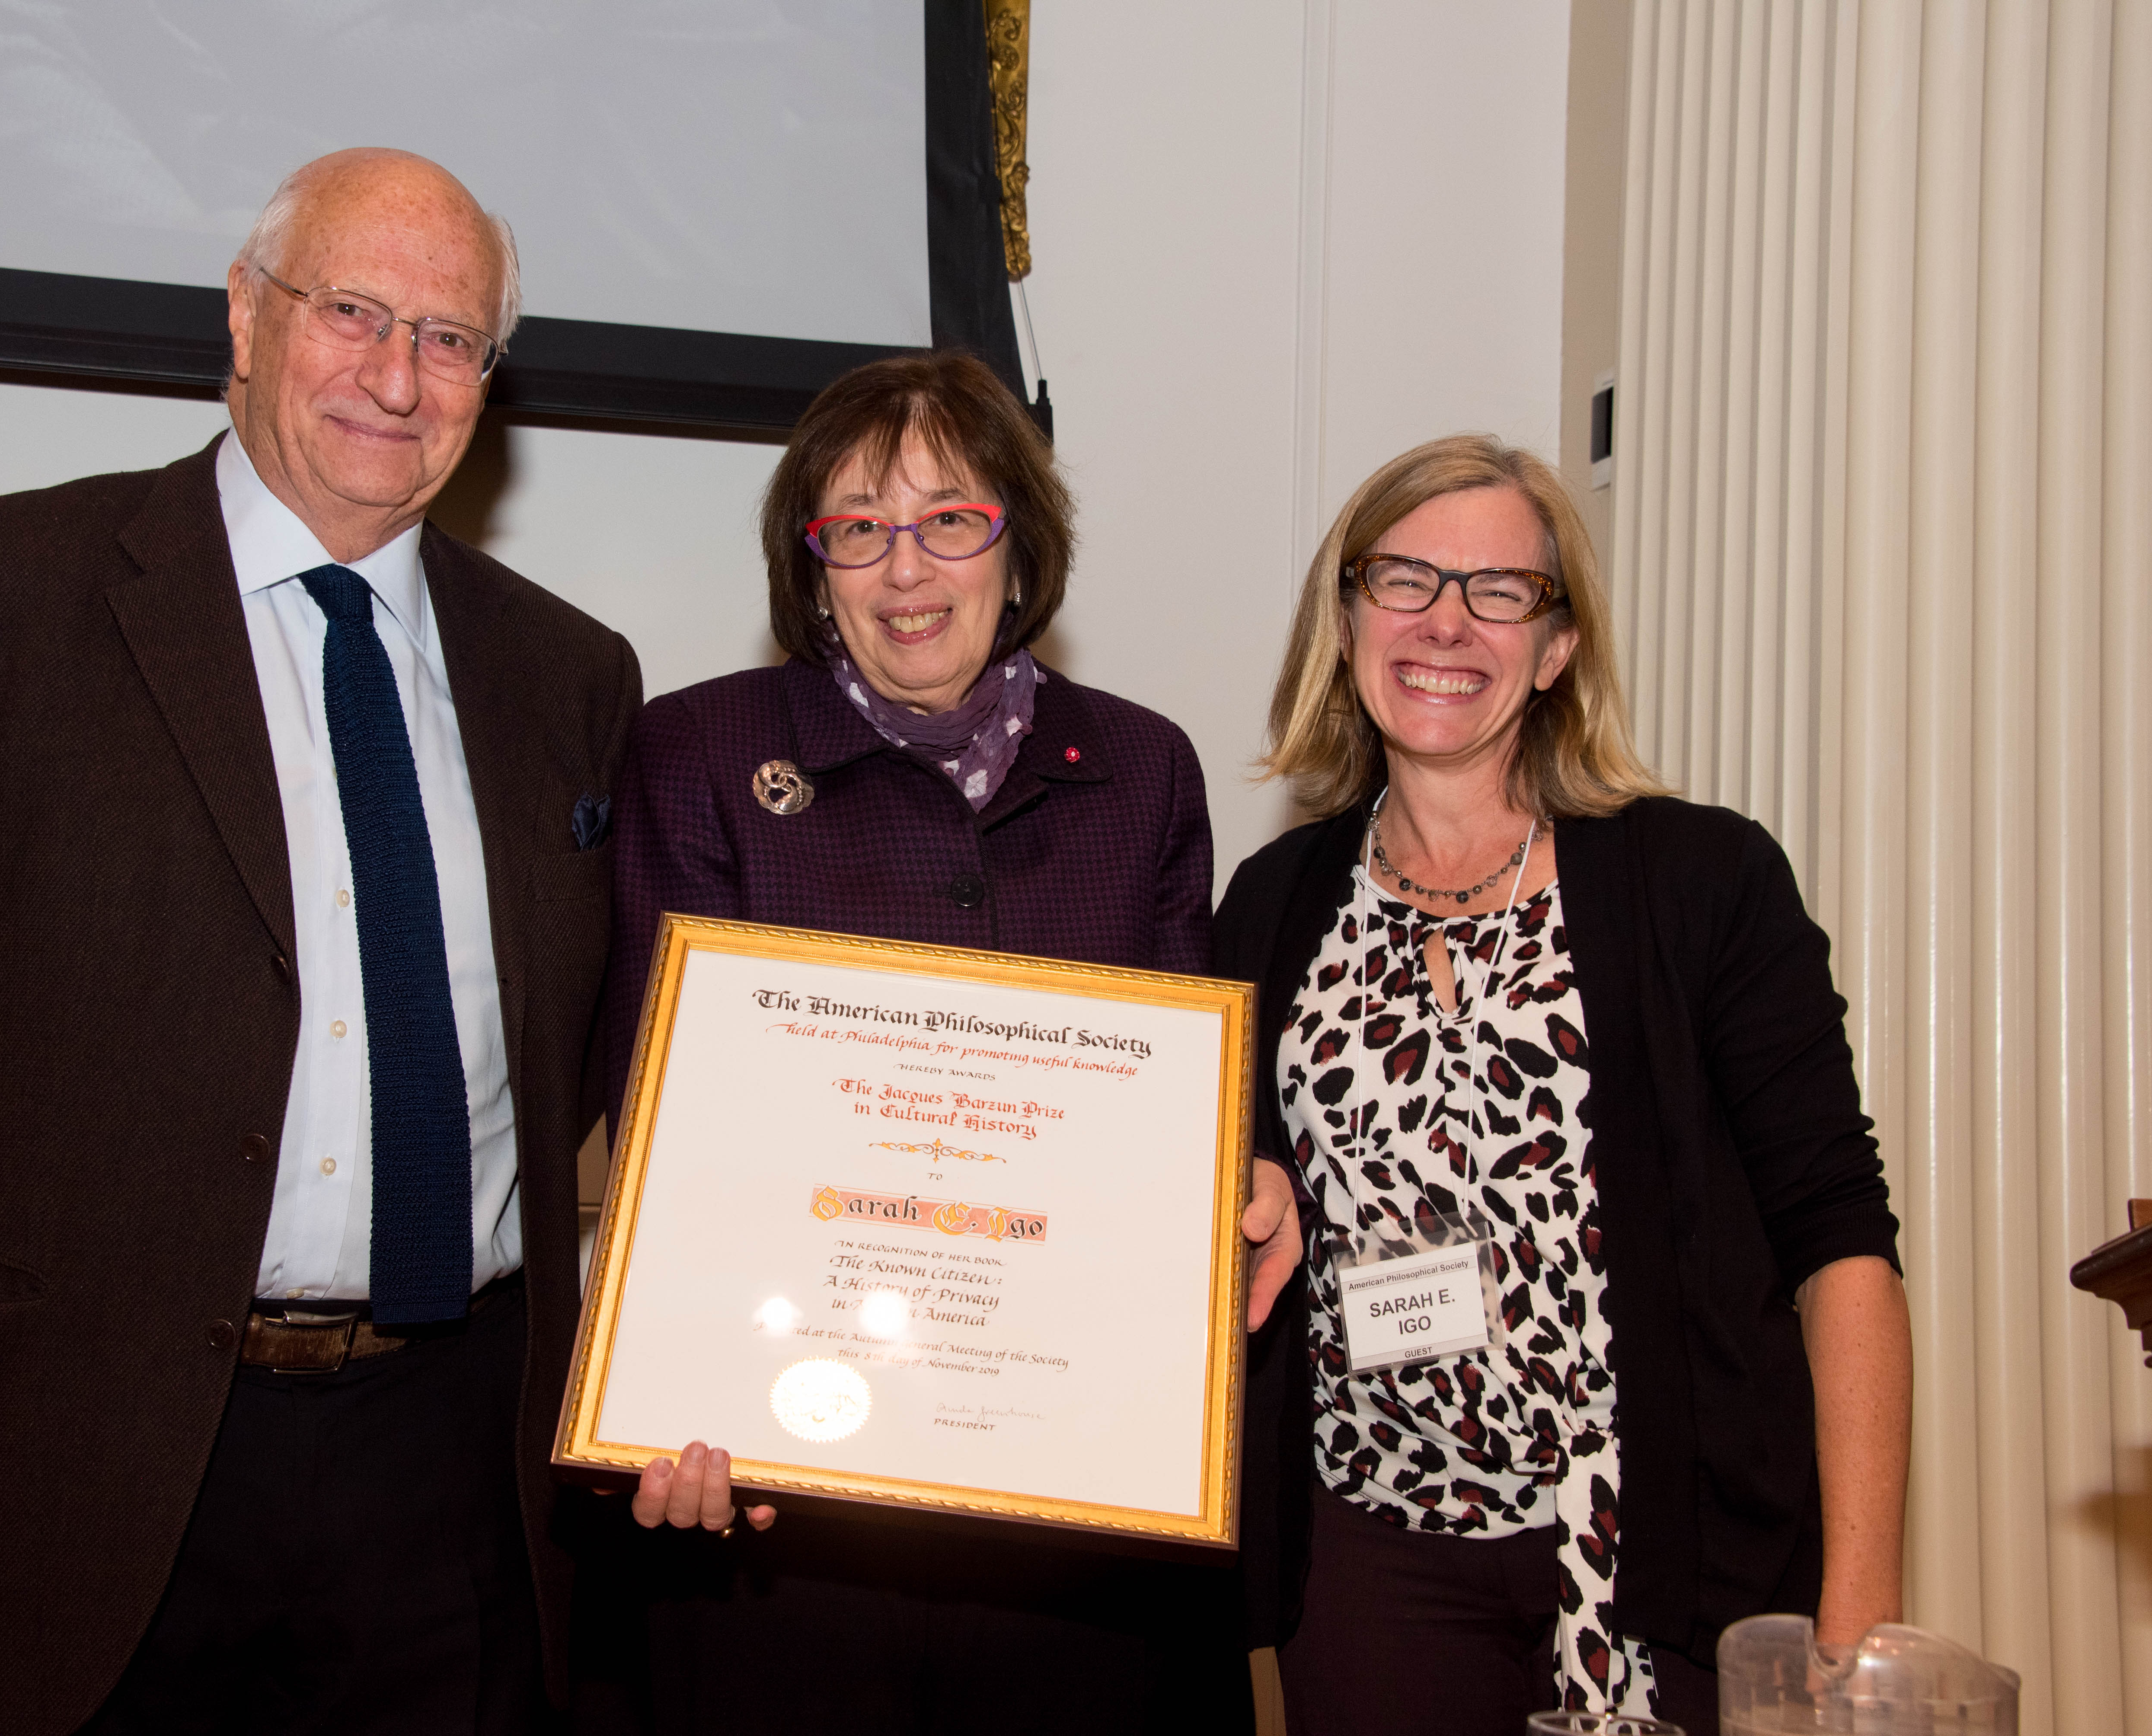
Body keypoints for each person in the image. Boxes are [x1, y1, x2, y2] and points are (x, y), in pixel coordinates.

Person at [0, 148, 639, 1736]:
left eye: (449, 339)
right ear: (244, 312)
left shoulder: (568, 675)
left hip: (447, 1470)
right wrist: (27, 1272)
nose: (396, 375)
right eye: (353, 309)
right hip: (67, 1454)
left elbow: (565, 1055)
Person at [572, 350, 1254, 1733]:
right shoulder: (698, 752)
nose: (907, 566)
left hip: (1075, 1519)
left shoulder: (1145, 768)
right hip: (784, 1508)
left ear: (1019, 540)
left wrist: (1247, 1175)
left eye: (951, 517)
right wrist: (676, 1388)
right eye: (859, 528)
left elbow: (1187, 1111)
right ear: (810, 565)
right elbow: (660, 1109)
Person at [1216, 435, 1911, 1736]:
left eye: (1501, 591)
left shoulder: (1703, 883)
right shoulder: (1271, 905)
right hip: (1370, 1554)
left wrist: (1857, 1611)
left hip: (1665, 1544)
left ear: (1557, 648)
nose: (1446, 622)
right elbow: (1234, 1207)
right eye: (1405, 578)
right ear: (1349, 616)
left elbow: (1839, 1241)